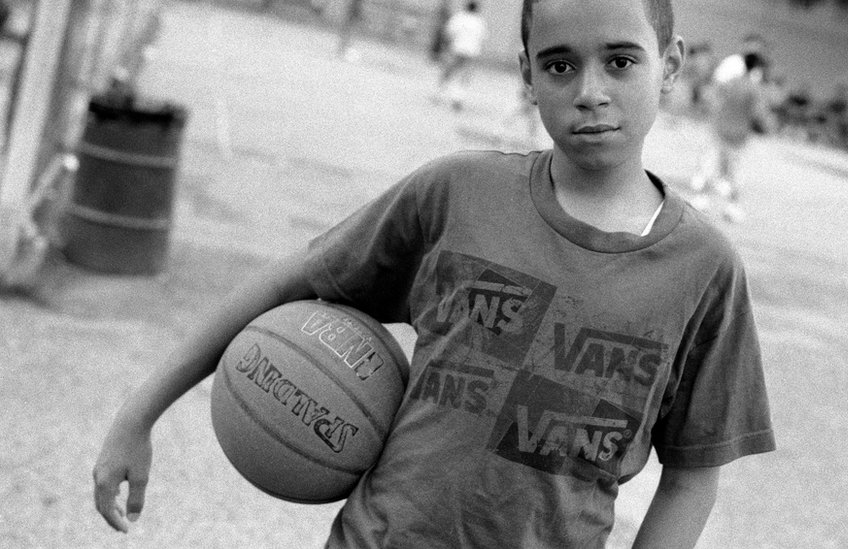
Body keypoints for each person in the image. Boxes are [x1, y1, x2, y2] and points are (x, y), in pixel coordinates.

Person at [93, 1, 776, 547]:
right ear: (527, 74)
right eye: (560, 65)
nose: (591, 91)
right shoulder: (458, 193)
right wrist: (139, 411)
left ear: (670, 66)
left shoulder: (704, 269)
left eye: (621, 60)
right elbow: (290, 281)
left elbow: (691, 478)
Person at [689, 35, 774, 222]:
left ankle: (701, 199)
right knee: (733, 173)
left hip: (720, 129)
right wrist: (768, 127)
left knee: (711, 165)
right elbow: (759, 114)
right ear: (757, 68)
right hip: (738, 136)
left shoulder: (731, 82)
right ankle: (732, 207)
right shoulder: (754, 89)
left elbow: (714, 96)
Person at [437, 1, 486, 111]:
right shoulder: (480, 21)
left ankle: (440, 93)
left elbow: (449, 31)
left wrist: (446, 45)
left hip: (457, 48)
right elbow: (483, 38)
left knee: (449, 71)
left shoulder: (459, 17)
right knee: (464, 75)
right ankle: (458, 97)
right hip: (472, 51)